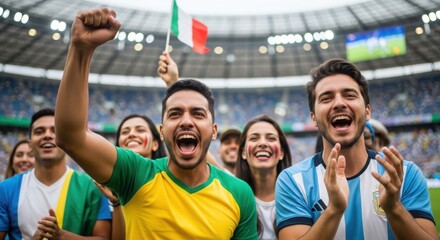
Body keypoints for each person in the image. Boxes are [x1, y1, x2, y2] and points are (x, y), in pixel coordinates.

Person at [55, 7, 257, 239]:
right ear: (161, 132)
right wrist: (81, 50)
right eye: (174, 114)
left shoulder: (239, 193)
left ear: (213, 131)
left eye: (198, 114)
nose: (186, 121)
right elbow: (71, 137)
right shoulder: (135, 174)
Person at [275, 59, 437, 240]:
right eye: (326, 98)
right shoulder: (293, 181)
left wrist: (394, 208)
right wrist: (334, 211)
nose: (338, 103)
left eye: (349, 95)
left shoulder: (406, 174)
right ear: (313, 118)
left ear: (368, 111)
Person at [0, 108, 111, 239]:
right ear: (29, 144)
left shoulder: (92, 187)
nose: (47, 135)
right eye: (39, 131)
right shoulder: (6, 189)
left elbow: (104, 238)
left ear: (66, 140)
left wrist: (62, 236)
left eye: (55, 131)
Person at [95, 113, 168, 240]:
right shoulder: (103, 188)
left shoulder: (170, 180)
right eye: (125, 132)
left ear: (155, 144)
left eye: (140, 130)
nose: (131, 134)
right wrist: (116, 203)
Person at [236, 114, 292, 240]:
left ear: (282, 153)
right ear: (243, 153)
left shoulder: (300, 196)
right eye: (254, 138)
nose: (262, 143)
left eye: (271, 138)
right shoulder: (231, 197)